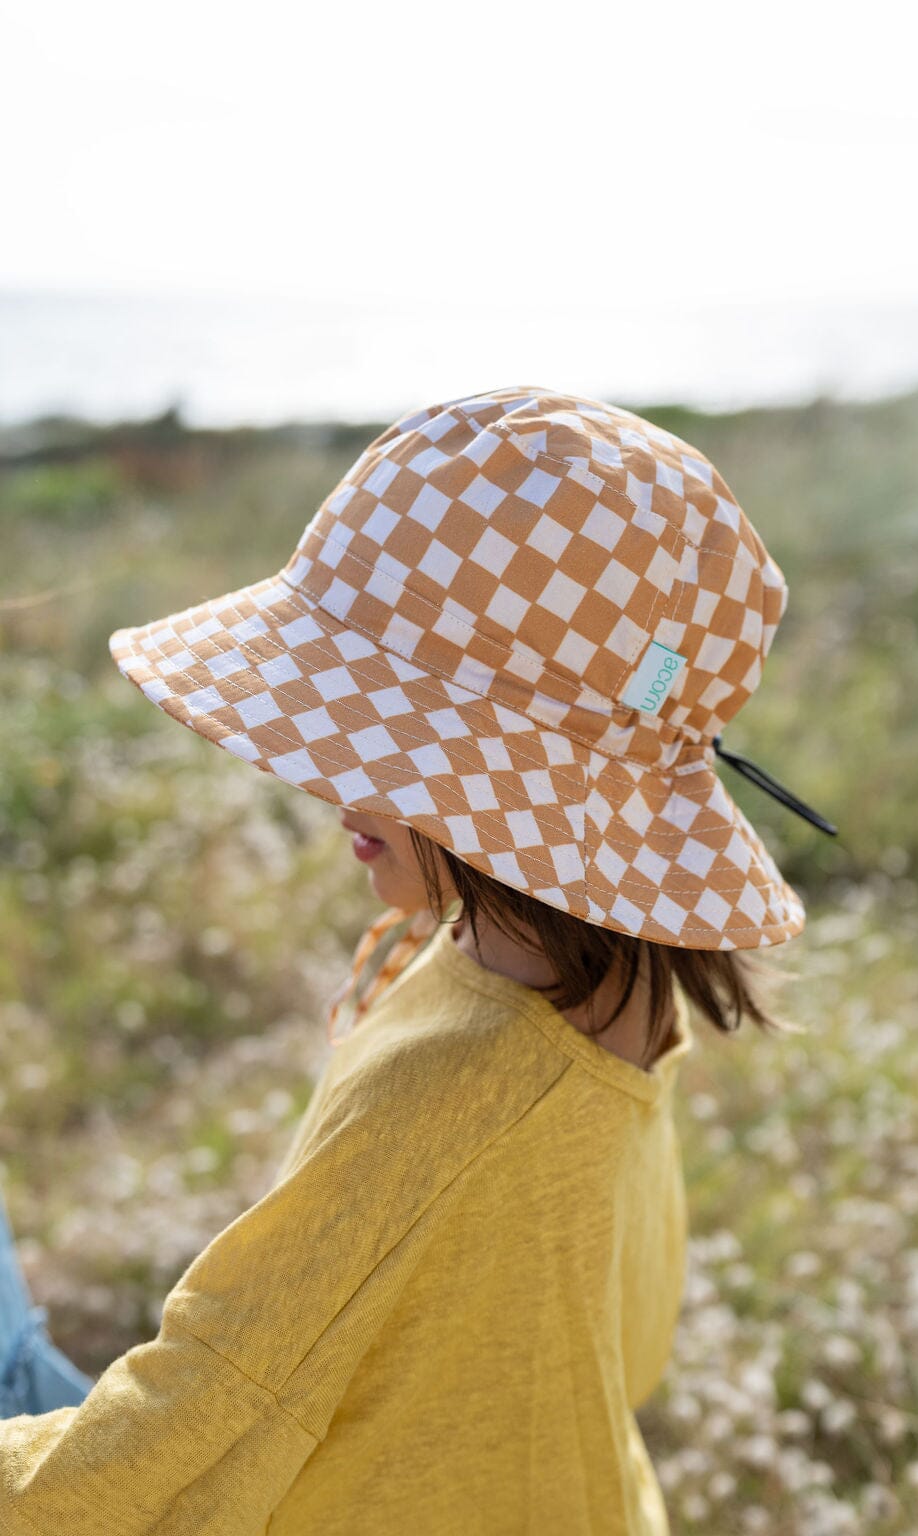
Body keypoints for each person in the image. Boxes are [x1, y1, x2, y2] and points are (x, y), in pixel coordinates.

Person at [1, 384, 836, 1534]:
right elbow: (626, 1344)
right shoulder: (635, 989)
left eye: (379, 744)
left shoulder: (451, 1083)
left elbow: (196, 1416)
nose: (325, 779)